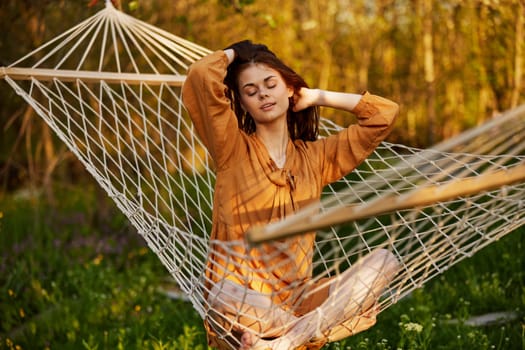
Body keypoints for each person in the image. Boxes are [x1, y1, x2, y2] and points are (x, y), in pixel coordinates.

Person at [182, 40, 400, 350]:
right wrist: (236, 51)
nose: (263, 94)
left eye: (271, 84)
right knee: (220, 293)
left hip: (298, 303)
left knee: (384, 260)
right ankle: (300, 334)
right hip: (243, 308)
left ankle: (283, 344)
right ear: (242, 103)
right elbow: (201, 75)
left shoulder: (316, 159)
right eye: (251, 90)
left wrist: (315, 96)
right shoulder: (231, 149)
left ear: (288, 89)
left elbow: (384, 114)